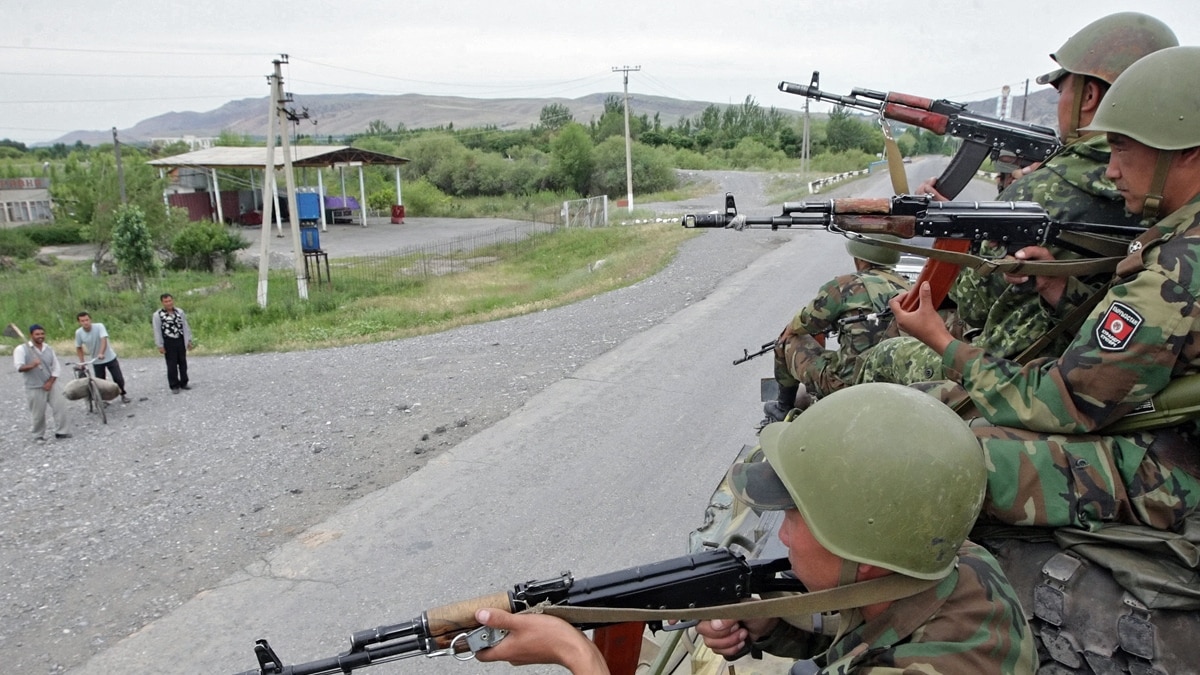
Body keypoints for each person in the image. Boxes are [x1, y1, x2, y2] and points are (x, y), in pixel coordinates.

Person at [472, 384, 1036, 674]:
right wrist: (769, 625)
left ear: (863, 553)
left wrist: (579, 658)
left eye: (796, 515)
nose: (782, 535)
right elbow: (864, 631)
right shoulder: (949, 560)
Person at [891, 45, 1200, 532]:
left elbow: (1062, 404)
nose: (1112, 169)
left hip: (1175, 467)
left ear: (1186, 152)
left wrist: (943, 343)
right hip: (1160, 428)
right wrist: (1058, 288)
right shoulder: (1180, 239)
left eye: (1122, 147)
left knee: (939, 458)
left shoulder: (1177, 272)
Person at [857, 12, 1177, 387]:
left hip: (1021, 368)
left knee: (882, 355)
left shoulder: (1046, 187)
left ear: (1088, 96)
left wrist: (983, 214)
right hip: (1096, 352)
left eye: (1062, 90)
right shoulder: (1165, 187)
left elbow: (972, 303)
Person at [761, 235, 909, 423]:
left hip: (845, 385)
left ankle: (783, 407)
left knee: (787, 340)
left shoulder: (844, 286)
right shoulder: (908, 287)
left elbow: (803, 323)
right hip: (893, 384)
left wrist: (791, 330)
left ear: (859, 258)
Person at [13, 324, 72, 442]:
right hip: (34, 386)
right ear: (31, 335)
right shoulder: (21, 349)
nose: (40, 336)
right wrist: (32, 365)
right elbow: (19, 368)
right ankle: (38, 435)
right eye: (37, 334)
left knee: (61, 407)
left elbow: (56, 368)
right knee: (38, 413)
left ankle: (62, 432)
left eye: (42, 334)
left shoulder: (48, 348)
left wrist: (50, 382)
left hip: (51, 383)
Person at [74, 311, 130, 404]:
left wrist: (101, 353)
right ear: (79, 322)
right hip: (96, 361)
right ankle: (104, 400)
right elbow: (78, 347)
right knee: (100, 381)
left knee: (118, 378)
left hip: (109, 357)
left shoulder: (99, 326)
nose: (85, 323)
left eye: (87, 320)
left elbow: (103, 339)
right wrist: (82, 362)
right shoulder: (79, 333)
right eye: (82, 321)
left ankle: (123, 394)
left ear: (90, 320)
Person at [152, 293, 193, 393]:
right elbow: (157, 330)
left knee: (183, 362)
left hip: (180, 339)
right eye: (166, 301)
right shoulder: (158, 315)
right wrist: (160, 345)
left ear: (173, 300)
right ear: (162, 303)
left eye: (170, 301)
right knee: (172, 364)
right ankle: (174, 385)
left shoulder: (179, 312)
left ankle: (184, 382)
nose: (168, 303)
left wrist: (189, 340)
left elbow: (185, 326)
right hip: (168, 341)